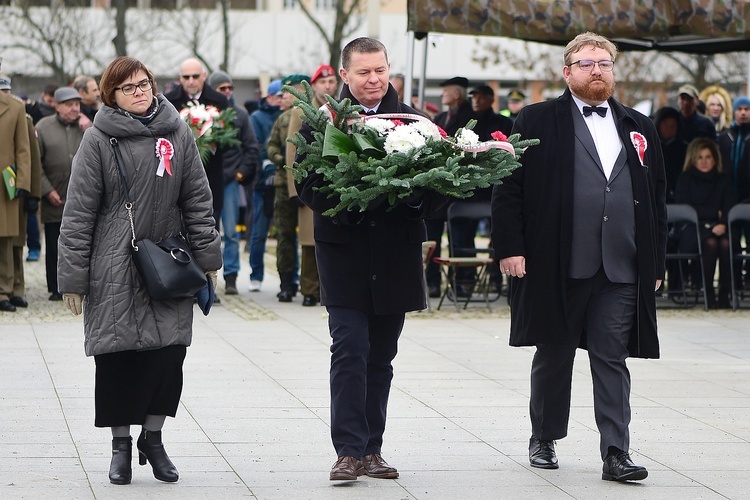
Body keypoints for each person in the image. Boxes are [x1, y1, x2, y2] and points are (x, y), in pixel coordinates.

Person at [491, 32, 666, 482]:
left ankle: (616, 451)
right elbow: (507, 187)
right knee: (555, 351)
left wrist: (656, 264)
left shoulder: (638, 125)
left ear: (613, 70)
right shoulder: (535, 119)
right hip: (558, 259)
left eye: (604, 63)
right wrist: (510, 246)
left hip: (622, 264)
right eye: (587, 63)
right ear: (567, 72)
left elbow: (657, 199)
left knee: (611, 355)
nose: (597, 71)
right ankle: (544, 437)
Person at [57, 56, 222, 486]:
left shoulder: (177, 130)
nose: (139, 91)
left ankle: (153, 437)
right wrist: (72, 279)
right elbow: (78, 215)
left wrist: (209, 259)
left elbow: (198, 201)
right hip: (113, 263)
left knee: (169, 355)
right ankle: (120, 445)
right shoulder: (98, 140)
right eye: (128, 87)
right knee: (118, 357)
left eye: (144, 83)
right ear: (110, 95)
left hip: (168, 259)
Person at [294, 36, 448, 482]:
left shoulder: (415, 122)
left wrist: (413, 199)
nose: (374, 79)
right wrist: (356, 195)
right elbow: (308, 187)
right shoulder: (321, 123)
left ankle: (372, 449)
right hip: (344, 254)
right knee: (349, 348)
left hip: (396, 253)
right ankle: (347, 450)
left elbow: (442, 187)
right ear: (344, 75)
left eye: (380, 70)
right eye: (363, 72)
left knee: (381, 355)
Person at [285, 64, 337, 306]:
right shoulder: (300, 112)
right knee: (308, 241)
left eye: (331, 82)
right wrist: (294, 187)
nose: (328, 86)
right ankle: (309, 289)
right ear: (313, 85)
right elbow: (292, 148)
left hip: (334, 182)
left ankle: (328, 288)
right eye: (323, 83)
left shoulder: (340, 109)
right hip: (309, 181)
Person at [207, 70, 260, 295]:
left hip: (228, 181)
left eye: (230, 88)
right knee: (207, 232)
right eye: (222, 89)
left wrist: (240, 174)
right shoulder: (205, 114)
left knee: (230, 232)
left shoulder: (240, 115)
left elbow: (251, 147)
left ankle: (231, 276)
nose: (228, 92)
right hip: (205, 181)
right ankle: (205, 278)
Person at [426, 76, 477, 298]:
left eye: (445, 91)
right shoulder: (440, 117)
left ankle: (464, 282)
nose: (441, 95)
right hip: (439, 189)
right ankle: (433, 282)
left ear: (456, 94)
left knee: (461, 238)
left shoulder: (472, 118)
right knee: (432, 238)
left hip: (461, 189)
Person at [165, 58, 231, 226]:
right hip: (179, 171)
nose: (191, 81)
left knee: (210, 225)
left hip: (211, 172)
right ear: (180, 78)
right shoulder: (169, 101)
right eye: (186, 77)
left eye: (195, 76)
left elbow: (228, 135)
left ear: (204, 76)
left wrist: (213, 142)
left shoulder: (219, 100)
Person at [675, 138, 736, 308]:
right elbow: (685, 208)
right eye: (699, 157)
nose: (704, 161)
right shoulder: (685, 179)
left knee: (725, 244)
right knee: (711, 243)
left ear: (715, 159)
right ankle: (708, 292)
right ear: (693, 159)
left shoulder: (723, 180)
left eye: (708, 157)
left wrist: (722, 222)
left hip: (720, 228)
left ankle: (725, 293)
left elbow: (729, 205)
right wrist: (712, 213)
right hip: (693, 230)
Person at [36, 87, 85, 301]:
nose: (75, 109)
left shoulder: (86, 126)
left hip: (81, 199)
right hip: (54, 197)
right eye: (69, 105)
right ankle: (55, 286)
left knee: (80, 243)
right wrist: (46, 190)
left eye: (77, 104)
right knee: (54, 243)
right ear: (56, 105)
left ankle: (79, 284)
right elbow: (35, 164)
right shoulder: (43, 127)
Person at [268, 74, 307, 302]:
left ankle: (307, 283)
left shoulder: (313, 116)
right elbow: (270, 145)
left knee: (309, 238)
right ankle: (286, 282)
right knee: (284, 235)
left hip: (306, 184)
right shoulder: (283, 120)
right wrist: (279, 157)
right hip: (284, 184)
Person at [0, 72, 32, 312]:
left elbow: (23, 148)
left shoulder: (15, 107)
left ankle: (5, 290)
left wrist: (23, 182)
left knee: (7, 239)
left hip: (4, 185)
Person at [247, 79, 282, 292]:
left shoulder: (289, 115)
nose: (281, 100)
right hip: (262, 183)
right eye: (278, 96)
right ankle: (256, 275)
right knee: (259, 231)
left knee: (288, 233)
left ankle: (290, 278)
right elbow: (257, 146)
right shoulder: (257, 118)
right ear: (269, 97)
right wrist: (268, 166)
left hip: (284, 183)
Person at [653, 106, 687, 203]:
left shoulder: (685, 149)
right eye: (666, 125)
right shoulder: (651, 147)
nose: (669, 129)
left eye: (673, 126)